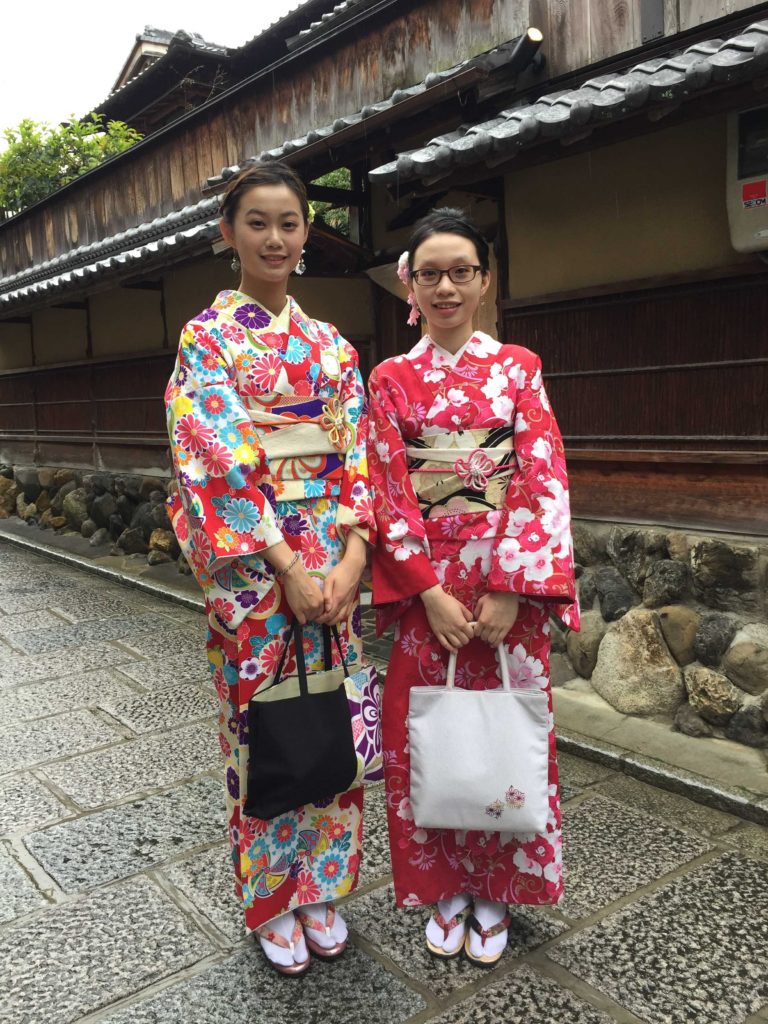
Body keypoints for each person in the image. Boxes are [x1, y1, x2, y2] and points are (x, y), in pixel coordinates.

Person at [164, 162, 374, 976]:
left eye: (290, 222)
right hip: (256, 565)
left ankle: (322, 883)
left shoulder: (329, 344)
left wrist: (352, 558)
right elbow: (212, 455)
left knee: (331, 709)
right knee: (264, 720)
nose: (276, 238)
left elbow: (359, 455)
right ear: (228, 232)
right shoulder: (208, 339)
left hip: (334, 559)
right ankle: (272, 896)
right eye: (258, 222)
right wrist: (286, 562)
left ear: (306, 233)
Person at [367, 208, 579, 966]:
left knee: (506, 729)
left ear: (486, 281)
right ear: (411, 285)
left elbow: (540, 474)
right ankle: (446, 885)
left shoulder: (518, 367)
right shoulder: (390, 379)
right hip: (432, 587)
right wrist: (423, 589)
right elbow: (387, 488)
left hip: (503, 585)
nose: (447, 286)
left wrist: (515, 589)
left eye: (462, 271)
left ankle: (497, 888)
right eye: (431, 274)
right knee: (428, 732)